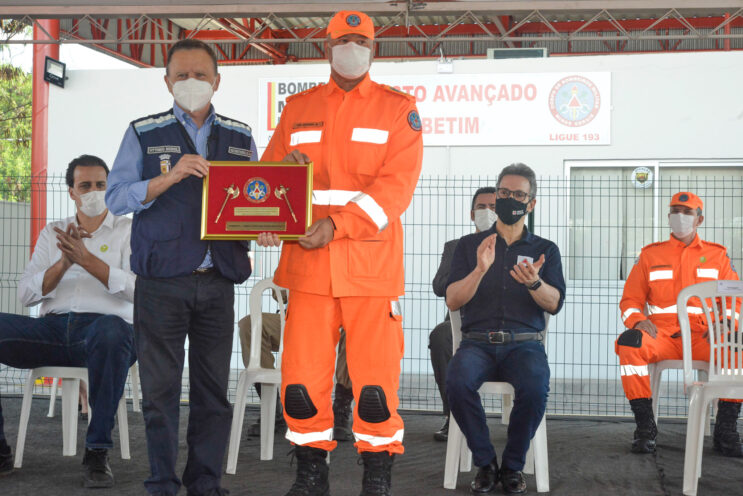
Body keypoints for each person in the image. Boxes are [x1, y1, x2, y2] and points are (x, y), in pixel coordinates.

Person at [257, 10, 423, 496]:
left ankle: (377, 476)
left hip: (369, 269)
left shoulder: (399, 109)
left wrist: (336, 225)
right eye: (342, 40)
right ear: (323, 47)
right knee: (302, 385)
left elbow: (394, 190)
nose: (351, 47)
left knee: (374, 389)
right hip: (308, 269)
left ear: (376, 50)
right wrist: (270, 222)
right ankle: (311, 476)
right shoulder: (298, 107)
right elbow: (268, 180)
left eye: (361, 40)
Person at [106, 39, 255, 496]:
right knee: (160, 394)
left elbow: (258, 199)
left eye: (201, 75)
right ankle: (162, 485)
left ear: (217, 81)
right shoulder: (142, 132)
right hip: (161, 282)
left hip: (219, 280)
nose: (192, 83)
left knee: (214, 394)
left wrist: (268, 226)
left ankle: (205, 483)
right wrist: (165, 178)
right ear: (167, 80)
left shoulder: (240, 134)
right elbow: (115, 197)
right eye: (183, 75)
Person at [0, 154, 136, 487]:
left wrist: (88, 261)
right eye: (85, 185)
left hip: (105, 332)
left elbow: (139, 291)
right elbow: (27, 294)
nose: (93, 192)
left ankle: (97, 452)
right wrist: (63, 263)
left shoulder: (129, 230)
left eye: (101, 185)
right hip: (51, 330)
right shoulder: (53, 232)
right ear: (71, 192)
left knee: (112, 332)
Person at [446, 163, 565, 495]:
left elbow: (554, 302)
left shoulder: (545, 250)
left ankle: (513, 466)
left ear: (531, 204)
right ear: (495, 196)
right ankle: (486, 463)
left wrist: (535, 283)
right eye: (503, 193)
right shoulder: (470, 246)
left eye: (518, 195)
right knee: (456, 381)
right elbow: (453, 300)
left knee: (535, 385)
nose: (509, 199)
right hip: (477, 344)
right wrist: (479, 271)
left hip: (524, 344)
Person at [616, 191, 742, 456]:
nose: (680, 217)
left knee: (737, 349)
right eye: (675, 211)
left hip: (703, 334)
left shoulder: (717, 256)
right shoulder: (650, 255)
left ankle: (726, 430)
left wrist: (725, 322)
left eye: (687, 212)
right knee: (628, 344)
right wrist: (638, 321)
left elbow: (734, 297)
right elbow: (630, 300)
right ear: (668, 216)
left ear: (700, 219)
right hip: (660, 333)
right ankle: (645, 427)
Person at [237, 291, 353, 440]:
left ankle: (340, 411)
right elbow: (278, 293)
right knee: (250, 324)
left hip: (335, 321)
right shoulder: (295, 265)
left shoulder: (348, 267)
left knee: (354, 331)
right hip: (295, 320)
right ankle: (270, 408)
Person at [430, 187, 496, 442]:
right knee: (440, 336)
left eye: (493, 207)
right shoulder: (456, 247)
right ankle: (453, 416)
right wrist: (475, 268)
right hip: (461, 325)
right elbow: (439, 287)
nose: (487, 212)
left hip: (501, 325)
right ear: (472, 214)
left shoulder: (513, 247)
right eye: (481, 207)